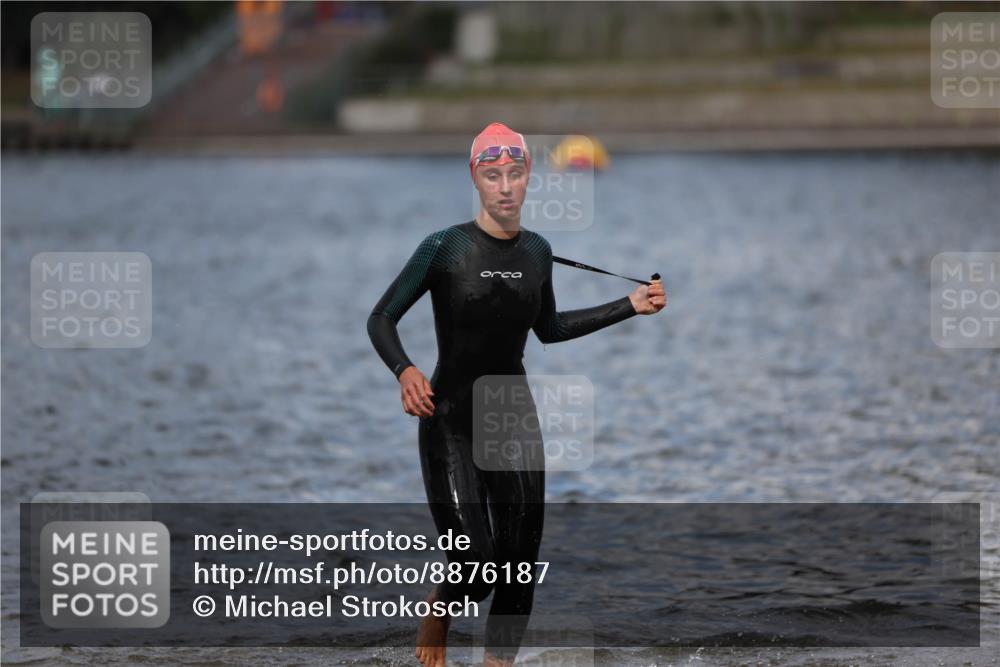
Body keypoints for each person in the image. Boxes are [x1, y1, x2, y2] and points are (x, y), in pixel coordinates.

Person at [367, 122, 666, 667]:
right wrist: (404, 370)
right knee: (477, 563)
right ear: (476, 180)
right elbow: (382, 316)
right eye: (492, 175)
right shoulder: (443, 247)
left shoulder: (538, 250)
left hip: (513, 418)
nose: (504, 186)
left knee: (520, 561)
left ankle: (496, 664)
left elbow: (548, 328)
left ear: (529, 177)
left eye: (515, 173)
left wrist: (630, 305)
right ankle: (440, 604)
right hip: (450, 417)